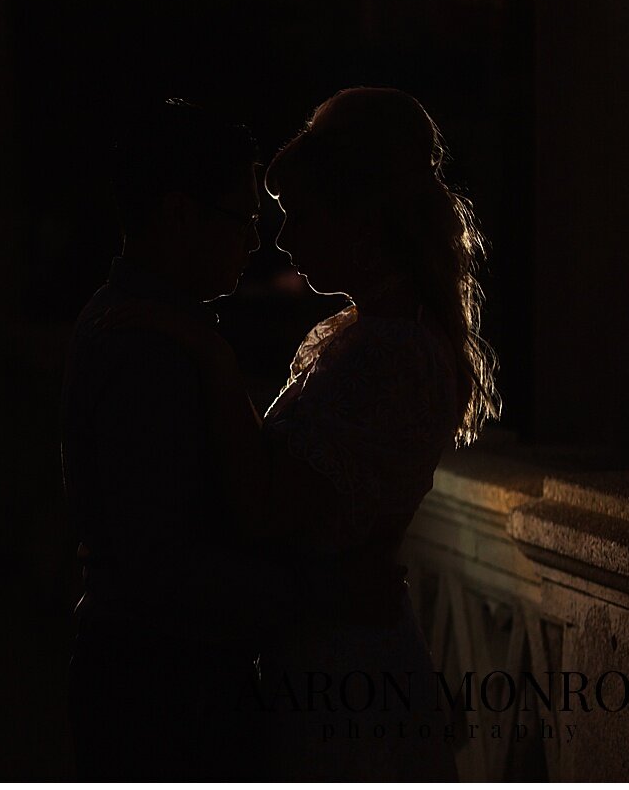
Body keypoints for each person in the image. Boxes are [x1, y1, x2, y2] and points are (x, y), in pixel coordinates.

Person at [114, 87, 499, 780]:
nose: (281, 238)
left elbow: (264, 505)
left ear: (360, 218)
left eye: (299, 213)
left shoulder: (390, 353)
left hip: (344, 672)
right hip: (329, 653)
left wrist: (209, 357)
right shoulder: (364, 336)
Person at [59, 97, 271, 780]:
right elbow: (161, 559)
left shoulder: (137, 320)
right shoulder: (148, 347)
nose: (254, 241)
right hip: (165, 688)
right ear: (179, 214)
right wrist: (308, 594)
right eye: (242, 218)